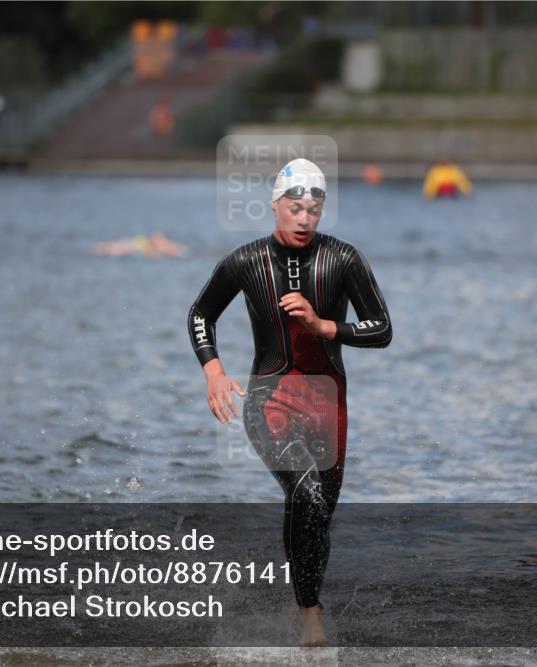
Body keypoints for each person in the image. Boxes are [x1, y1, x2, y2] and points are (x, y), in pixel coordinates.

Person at [187, 158, 392, 646]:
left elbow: (382, 328)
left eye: (314, 210)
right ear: (275, 206)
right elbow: (201, 312)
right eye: (295, 208)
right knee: (305, 492)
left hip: (328, 402)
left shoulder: (344, 260)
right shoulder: (246, 261)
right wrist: (212, 367)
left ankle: (301, 598)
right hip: (270, 399)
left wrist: (325, 327)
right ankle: (310, 617)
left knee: (318, 514)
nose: (304, 219)